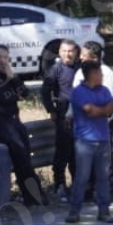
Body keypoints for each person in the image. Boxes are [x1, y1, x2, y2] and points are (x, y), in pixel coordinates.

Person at [0, 45, 49, 207]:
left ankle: (31, 198)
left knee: (25, 160)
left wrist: (13, 78)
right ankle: (36, 196)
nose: (2, 61)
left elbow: (26, 93)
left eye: (5, 57)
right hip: (0, 123)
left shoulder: (9, 74)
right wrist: (15, 94)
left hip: (16, 121)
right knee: (21, 159)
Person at [65, 61, 113, 224]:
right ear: (92, 75)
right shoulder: (78, 92)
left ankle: (104, 211)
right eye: (99, 73)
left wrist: (100, 110)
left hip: (103, 139)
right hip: (85, 141)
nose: (102, 76)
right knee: (82, 177)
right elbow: (89, 110)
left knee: (103, 177)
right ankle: (74, 211)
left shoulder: (104, 90)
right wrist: (104, 110)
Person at [72, 42, 113, 196]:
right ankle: (88, 190)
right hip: (83, 124)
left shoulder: (106, 74)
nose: (80, 57)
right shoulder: (80, 73)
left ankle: (108, 191)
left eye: (84, 55)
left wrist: (99, 113)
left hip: (103, 122)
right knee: (85, 158)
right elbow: (75, 96)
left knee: (104, 159)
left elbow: (109, 102)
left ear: (94, 58)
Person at [40, 40, 81, 201]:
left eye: (70, 51)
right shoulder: (55, 69)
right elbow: (45, 91)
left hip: (81, 113)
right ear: (59, 52)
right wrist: (51, 110)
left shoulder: (80, 68)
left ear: (76, 52)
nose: (67, 54)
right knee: (63, 151)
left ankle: (78, 185)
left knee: (77, 152)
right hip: (63, 113)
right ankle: (59, 185)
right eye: (64, 51)